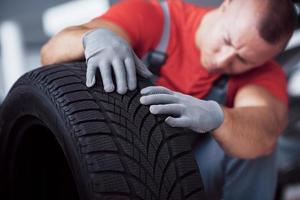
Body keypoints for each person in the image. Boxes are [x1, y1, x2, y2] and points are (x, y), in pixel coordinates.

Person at [40, 0, 297, 199]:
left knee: (257, 147)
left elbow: (264, 125)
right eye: (227, 40)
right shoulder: (157, 18)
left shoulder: (262, 72)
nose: (223, 60)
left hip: (189, 177)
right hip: (112, 160)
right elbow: (50, 54)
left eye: (243, 60)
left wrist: (219, 117)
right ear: (226, 5)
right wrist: (91, 38)